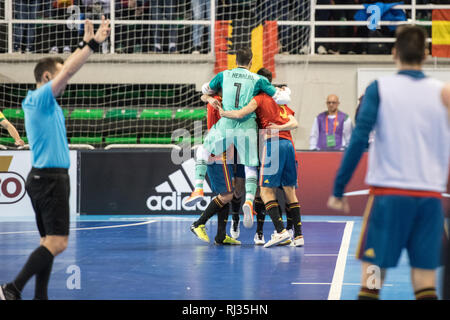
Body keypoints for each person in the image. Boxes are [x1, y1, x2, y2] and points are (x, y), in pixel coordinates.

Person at [327, 25, 450, 300]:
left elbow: (359, 139)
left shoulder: (379, 89)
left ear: (394, 52)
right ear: (427, 55)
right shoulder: (443, 93)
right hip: (429, 201)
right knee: (425, 284)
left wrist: (338, 188)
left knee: (372, 281)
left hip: (388, 200)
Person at [0, 17, 110, 301]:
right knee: (58, 242)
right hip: (48, 178)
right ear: (47, 78)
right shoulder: (38, 100)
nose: (65, 79)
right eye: (58, 76)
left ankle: (40, 296)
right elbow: (68, 72)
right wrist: (92, 45)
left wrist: (84, 44)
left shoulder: (44, 103)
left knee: (47, 242)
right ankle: (11, 289)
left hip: (45, 178)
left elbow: (67, 68)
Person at [183, 48, 291, 231]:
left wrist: (209, 98)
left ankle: (198, 187)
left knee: (203, 150)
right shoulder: (259, 80)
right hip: (247, 125)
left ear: (235, 60)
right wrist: (283, 91)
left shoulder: (223, 75)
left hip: (226, 122)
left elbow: (205, 90)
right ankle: (249, 201)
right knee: (250, 166)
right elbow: (282, 99)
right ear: (251, 61)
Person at [219, 67, 303, 248]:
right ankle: (298, 236)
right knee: (290, 193)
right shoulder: (281, 100)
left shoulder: (259, 98)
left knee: (264, 191)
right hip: (289, 145)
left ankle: (280, 232)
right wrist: (281, 128)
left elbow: (241, 114)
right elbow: (295, 123)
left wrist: (225, 113)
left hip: (272, 145)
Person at [190, 93, 240, 245]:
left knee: (224, 194)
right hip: (219, 154)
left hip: (222, 151)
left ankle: (221, 235)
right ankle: (199, 223)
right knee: (227, 195)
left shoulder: (216, 100)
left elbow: (205, 95)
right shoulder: (220, 102)